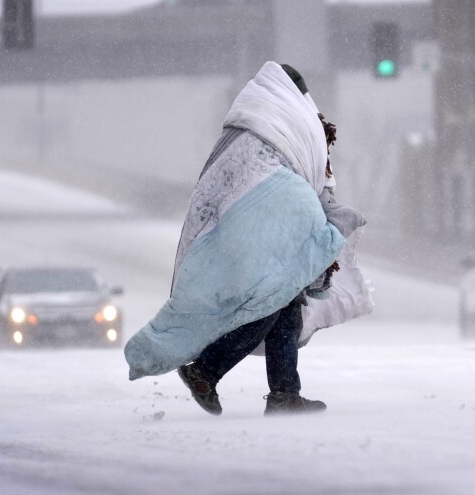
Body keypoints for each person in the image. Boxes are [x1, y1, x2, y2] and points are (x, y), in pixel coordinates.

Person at [124, 61, 372, 415]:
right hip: (261, 225)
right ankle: (206, 371)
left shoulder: (248, 125)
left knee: (285, 303)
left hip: (238, 225)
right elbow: (308, 174)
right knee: (270, 300)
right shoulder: (291, 122)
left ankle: (285, 393)